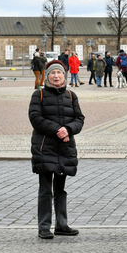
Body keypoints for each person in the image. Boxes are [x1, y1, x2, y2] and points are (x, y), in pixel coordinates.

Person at [28, 60, 84, 239]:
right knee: (45, 188)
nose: (56, 76)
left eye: (59, 73)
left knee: (61, 188)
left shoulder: (71, 95)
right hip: (45, 147)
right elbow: (35, 118)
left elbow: (79, 119)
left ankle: (61, 224)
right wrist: (58, 131)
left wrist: (68, 129)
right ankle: (44, 226)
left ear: (64, 76)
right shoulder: (39, 95)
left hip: (65, 148)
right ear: (48, 76)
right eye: (53, 73)